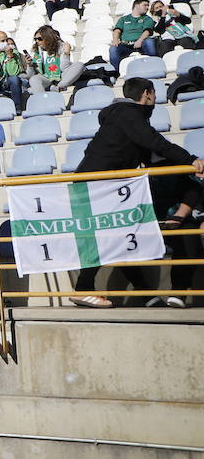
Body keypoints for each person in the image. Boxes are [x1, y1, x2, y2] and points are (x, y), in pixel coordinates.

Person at [69, 77, 204, 308]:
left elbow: (148, 151)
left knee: (116, 236)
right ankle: (84, 289)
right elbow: (153, 141)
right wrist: (192, 160)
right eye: (153, 93)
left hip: (99, 182)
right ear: (147, 93)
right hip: (99, 183)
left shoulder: (121, 117)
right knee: (106, 236)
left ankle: (145, 295)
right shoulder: (128, 113)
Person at [23, 26, 84, 93]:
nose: (37, 41)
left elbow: (64, 68)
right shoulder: (35, 52)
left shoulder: (60, 47)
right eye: (35, 39)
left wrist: (66, 53)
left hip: (61, 76)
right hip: (45, 78)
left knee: (79, 64)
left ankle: (59, 87)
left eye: (40, 39)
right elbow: (31, 75)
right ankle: (43, 99)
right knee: (34, 79)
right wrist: (30, 65)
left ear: (47, 38)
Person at [109, 0, 158, 71]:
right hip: (125, 45)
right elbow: (117, 31)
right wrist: (115, 40)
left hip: (141, 44)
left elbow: (147, 31)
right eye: (145, 5)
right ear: (137, 5)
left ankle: (155, 66)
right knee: (113, 48)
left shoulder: (147, 19)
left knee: (149, 42)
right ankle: (116, 72)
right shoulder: (124, 19)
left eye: (148, 5)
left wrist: (140, 40)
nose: (147, 8)